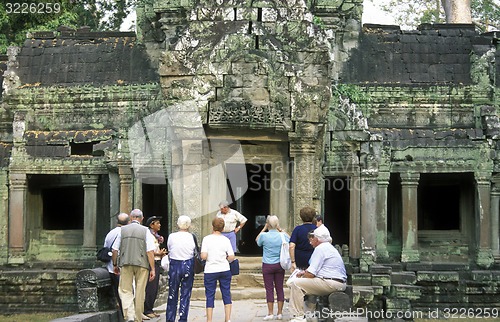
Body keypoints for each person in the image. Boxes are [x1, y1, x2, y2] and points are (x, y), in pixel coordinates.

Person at [286, 225, 347, 322]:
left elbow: (311, 274)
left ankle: (297, 316)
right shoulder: (329, 247)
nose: (310, 241)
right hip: (337, 282)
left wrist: (302, 275)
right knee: (308, 284)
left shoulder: (320, 248)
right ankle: (310, 312)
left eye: (312, 238)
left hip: (331, 283)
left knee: (296, 284)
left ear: (317, 239)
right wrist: (304, 274)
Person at [112, 209, 156, 322]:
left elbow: (115, 249)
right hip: (142, 264)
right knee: (140, 290)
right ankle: (137, 316)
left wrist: (115, 264)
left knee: (125, 290)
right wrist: (153, 268)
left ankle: (129, 315)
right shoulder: (146, 231)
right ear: (142, 219)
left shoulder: (122, 230)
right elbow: (150, 251)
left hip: (126, 263)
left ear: (131, 218)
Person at [201, 217, 235, 322]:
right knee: (226, 293)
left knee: (210, 295)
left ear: (212, 226)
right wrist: (225, 259)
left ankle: (209, 320)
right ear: (223, 228)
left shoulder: (206, 239)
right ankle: (227, 318)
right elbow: (231, 256)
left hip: (210, 270)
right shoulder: (226, 240)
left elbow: (203, 256)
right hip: (224, 269)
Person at [255, 215, 288, 321]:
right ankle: (279, 313)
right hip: (279, 264)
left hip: (267, 265)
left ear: (268, 224)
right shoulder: (282, 235)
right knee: (280, 288)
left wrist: (264, 228)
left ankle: (270, 313)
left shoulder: (264, 236)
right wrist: (280, 229)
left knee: (269, 289)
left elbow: (257, 240)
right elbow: (290, 239)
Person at [166, 215, 196, 322]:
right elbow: (194, 250)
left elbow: (169, 248)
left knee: (172, 293)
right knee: (185, 293)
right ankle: (183, 318)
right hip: (188, 264)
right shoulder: (191, 236)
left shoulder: (172, 236)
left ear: (178, 224)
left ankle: (170, 318)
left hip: (175, 264)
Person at [104, 212, 130, 319]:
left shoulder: (110, 233)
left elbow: (106, 248)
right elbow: (116, 250)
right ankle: (127, 315)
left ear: (117, 222)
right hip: (121, 267)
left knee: (118, 291)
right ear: (128, 222)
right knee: (126, 292)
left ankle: (123, 313)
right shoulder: (125, 233)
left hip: (110, 267)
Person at [143, 216, 167, 319]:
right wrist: (159, 253)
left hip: (156, 262)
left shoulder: (155, 236)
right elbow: (149, 251)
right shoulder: (149, 236)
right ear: (151, 225)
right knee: (151, 287)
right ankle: (147, 309)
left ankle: (150, 309)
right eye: (157, 223)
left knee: (154, 287)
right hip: (152, 263)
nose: (160, 225)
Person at [289, 206, 317, 271]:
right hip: (314, 258)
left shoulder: (297, 229)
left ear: (301, 217)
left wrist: (293, 262)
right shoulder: (317, 229)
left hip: (300, 260)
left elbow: (291, 246)